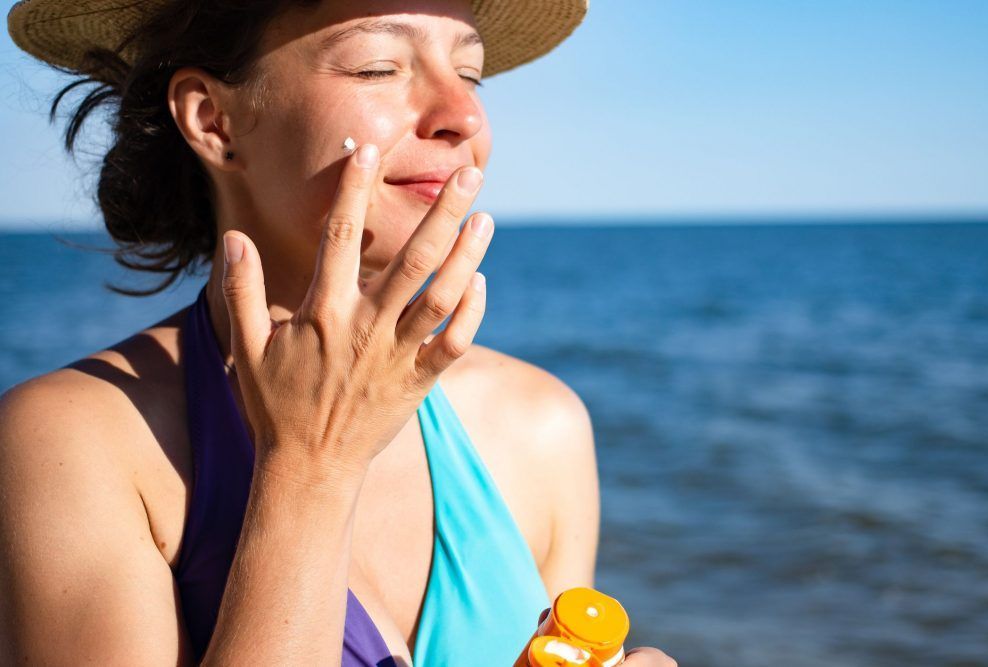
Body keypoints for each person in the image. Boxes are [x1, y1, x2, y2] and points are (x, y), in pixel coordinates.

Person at [1, 0, 677, 665]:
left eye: (470, 75)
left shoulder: (538, 426)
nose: (463, 115)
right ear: (214, 120)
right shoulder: (71, 441)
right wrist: (311, 464)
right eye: (379, 68)